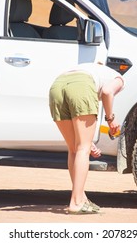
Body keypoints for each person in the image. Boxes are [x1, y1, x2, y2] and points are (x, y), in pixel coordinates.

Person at [49, 62, 125, 214]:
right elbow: (107, 92)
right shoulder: (118, 78)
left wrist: (88, 142)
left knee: (74, 150)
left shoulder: (88, 67)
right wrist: (110, 120)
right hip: (81, 88)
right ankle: (76, 202)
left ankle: (81, 198)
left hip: (56, 87)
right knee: (82, 149)